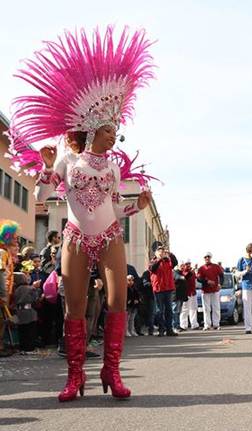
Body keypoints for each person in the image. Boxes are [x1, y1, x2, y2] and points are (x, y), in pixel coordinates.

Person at [7, 27, 156, 401]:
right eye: (109, 130)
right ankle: (75, 376)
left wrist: (134, 207)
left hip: (109, 236)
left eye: (115, 130)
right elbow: (42, 194)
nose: (114, 135)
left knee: (117, 299)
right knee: (74, 306)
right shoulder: (67, 159)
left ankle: (112, 371)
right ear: (90, 130)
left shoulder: (114, 168)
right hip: (74, 236)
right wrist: (44, 169)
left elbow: (112, 205)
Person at [149, 245, 178, 337]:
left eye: (162, 251)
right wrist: (159, 259)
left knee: (169, 310)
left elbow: (175, 262)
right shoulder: (153, 262)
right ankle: (161, 329)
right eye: (159, 251)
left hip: (168, 288)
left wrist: (170, 254)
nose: (161, 252)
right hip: (158, 289)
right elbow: (153, 269)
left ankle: (169, 329)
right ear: (156, 253)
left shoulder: (168, 261)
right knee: (159, 311)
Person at [13, 272, 40, 354]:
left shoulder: (16, 290)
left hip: (20, 312)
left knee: (22, 331)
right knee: (30, 331)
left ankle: (23, 348)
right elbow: (35, 299)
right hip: (29, 312)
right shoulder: (30, 288)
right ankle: (30, 349)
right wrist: (37, 289)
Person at [197, 252, 224, 330]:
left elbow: (221, 276)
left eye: (208, 257)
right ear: (204, 258)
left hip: (215, 290)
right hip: (205, 291)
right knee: (206, 309)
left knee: (216, 307)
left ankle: (216, 324)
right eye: (205, 257)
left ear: (210, 257)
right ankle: (207, 324)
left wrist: (220, 284)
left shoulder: (216, 266)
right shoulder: (201, 268)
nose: (207, 258)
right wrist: (207, 281)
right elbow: (199, 279)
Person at [180, 261, 200, 331]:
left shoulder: (193, 272)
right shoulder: (182, 272)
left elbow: (196, 280)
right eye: (186, 264)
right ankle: (183, 325)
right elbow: (186, 276)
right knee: (185, 310)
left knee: (193, 309)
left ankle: (194, 324)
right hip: (186, 294)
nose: (188, 265)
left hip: (193, 293)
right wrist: (192, 271)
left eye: (189, 264)